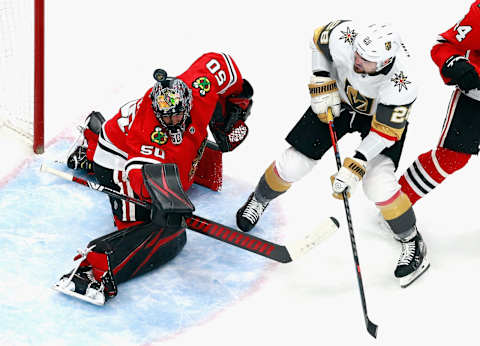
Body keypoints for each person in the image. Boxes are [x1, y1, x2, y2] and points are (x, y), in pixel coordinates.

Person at [236, 21, 429, 287]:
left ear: (385, 62)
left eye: (367, 61)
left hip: (378, 122)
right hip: (336, 101)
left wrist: (357, 164)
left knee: (378, 185)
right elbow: (318, 42)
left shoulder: (403, 83)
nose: (358, 61)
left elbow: (385, 132)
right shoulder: (347, 36)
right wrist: (322, 77)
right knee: (294, 164)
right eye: (357, 55)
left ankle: (410, 238)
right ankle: (259, 198)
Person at [54, 52, 254, 305]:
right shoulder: (151, 133)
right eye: (165, 118)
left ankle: (88, 147)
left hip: (126, 136)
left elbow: (222, 62)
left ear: (189, 101)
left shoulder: (200, 86)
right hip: (118, 161)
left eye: (176, 116)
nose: (171, 123)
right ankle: (95, 270)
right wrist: (166, 203)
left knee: (182, 176)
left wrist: (238, 99)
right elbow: (138, 171)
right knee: (162, 228)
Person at [399, 1, 480, 206]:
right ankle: (398, 205)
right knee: (451, 157)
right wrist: (456, 64)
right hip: (476, 100)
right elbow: (444, 46)